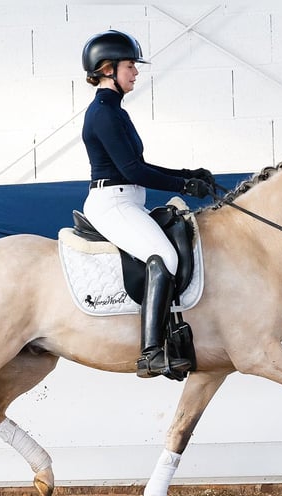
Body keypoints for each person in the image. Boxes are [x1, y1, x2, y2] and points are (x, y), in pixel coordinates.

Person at [80, 30, 215, 379]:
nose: (135, 73)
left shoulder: (114, 111)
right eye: (130, 66)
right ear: (107, 68)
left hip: (127, 201)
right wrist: (183, 184)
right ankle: (151, 354)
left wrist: (188, 172)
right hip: (112, 204)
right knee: (165, 257)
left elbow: (141, 166)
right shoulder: (104, 114)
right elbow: (132, 170)